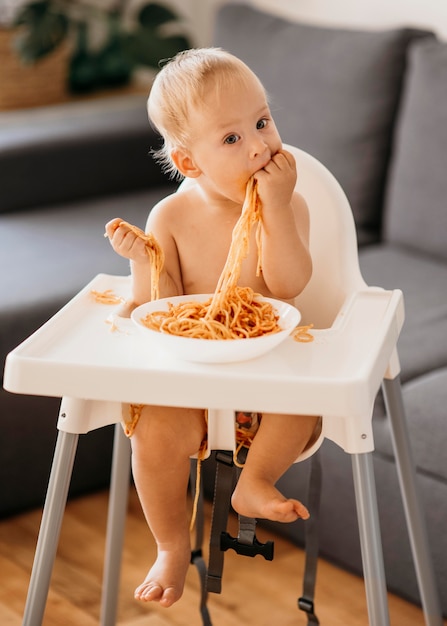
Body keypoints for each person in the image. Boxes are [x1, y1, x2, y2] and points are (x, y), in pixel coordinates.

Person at [105, 47, 322, 609]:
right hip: (194, 378)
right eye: (232, 139)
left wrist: (275, 206)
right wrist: (142, 260)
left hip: (267, 372)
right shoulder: (170, 218)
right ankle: (171, 545)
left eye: (262, 121)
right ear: (189, 162)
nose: (258, 145)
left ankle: (254, 484)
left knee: (305, 397)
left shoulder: (286, 202)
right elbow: (161, 307)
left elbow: (290, 283)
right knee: (151, 431)